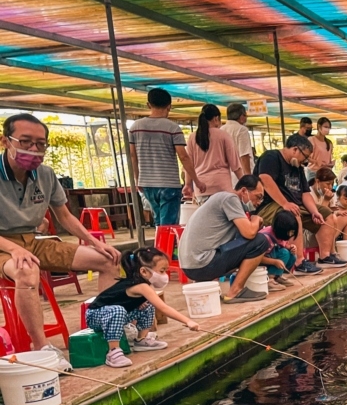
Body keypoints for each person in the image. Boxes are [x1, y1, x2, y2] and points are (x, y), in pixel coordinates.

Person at [0, 113, 122, 369]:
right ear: (5, 141)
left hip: (32, 241)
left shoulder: (45, 174)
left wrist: (94, 242)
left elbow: (64, 215)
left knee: (107, 259)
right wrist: (14, 250)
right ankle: (41, 347)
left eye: (40, 144)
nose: (33, 149)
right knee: (26, 269)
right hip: (3, 245)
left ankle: (105, 332)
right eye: (25, 142)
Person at [86, 248, 200, 368]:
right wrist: (188, 321)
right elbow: (164, 308)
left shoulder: (143, 284)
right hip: (95, 316)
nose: (165, 275)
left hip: (118, 315)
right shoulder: (140, 286)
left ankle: (141, 340)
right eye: (161, 271)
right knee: (117, 310)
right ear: (144, 272)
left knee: (147, 305)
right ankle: (113, 352)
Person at [178, 175, 269, 302]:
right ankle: (235, 291)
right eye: (258, 197)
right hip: (201, 264)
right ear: (243, 191)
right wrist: (256, 220)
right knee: (261, 241)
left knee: (251, 244)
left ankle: (206, 285)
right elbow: (249, 234)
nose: (259, 202)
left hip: (190, 266)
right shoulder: (230, 199)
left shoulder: (222, 199)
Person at [251, 134, 326, 273]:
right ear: (295, 150)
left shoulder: (298, 167)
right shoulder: (271, 157)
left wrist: (315, 211)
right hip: (270, 205)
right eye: (305, 156)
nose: (305, 161)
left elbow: (305, 193)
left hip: (294, 204)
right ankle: (299, 261)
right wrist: (285, 203)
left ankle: (327, 255)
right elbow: (265, 179)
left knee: (326, 215)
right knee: (293, 214)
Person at [128, 88, 202, 225]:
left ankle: (159, 245)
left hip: (147, 183)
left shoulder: (135, 127)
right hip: (169, 184)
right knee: (168, 226)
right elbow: (183, 157)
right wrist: (196, 181)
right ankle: (164, 247)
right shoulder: (173, 128)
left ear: (148, 105)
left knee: (159, 224)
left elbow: (133, 156)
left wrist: (137, 179)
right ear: (169, 106)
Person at [186, 104, 243, 200]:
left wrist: (187, 184)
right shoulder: (224, 135)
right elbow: (235, 166)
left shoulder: (192, 137)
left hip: (201, 189)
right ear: (216, 118)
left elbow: (188, 164)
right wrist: (245, 182)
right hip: (222, 188)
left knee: (207, 215)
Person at [258, 209, 299, 290]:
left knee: (291, 255)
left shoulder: (279, 235)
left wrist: (291, 247)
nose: (291, 235)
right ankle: (269, 279)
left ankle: (277, 276)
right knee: (284, 253)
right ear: (282, 229)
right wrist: (274, 262)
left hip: (271, 257)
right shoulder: (266, 237)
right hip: (260, 265)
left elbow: (283, 244)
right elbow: (257, 258)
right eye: (290, 232)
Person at [221, 103, 254, 183]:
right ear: (241, 117)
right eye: (245, 116)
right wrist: (248, 179)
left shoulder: (221, 129)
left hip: (226, 175)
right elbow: (244, 155)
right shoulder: (242, 130)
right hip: (240, 175)